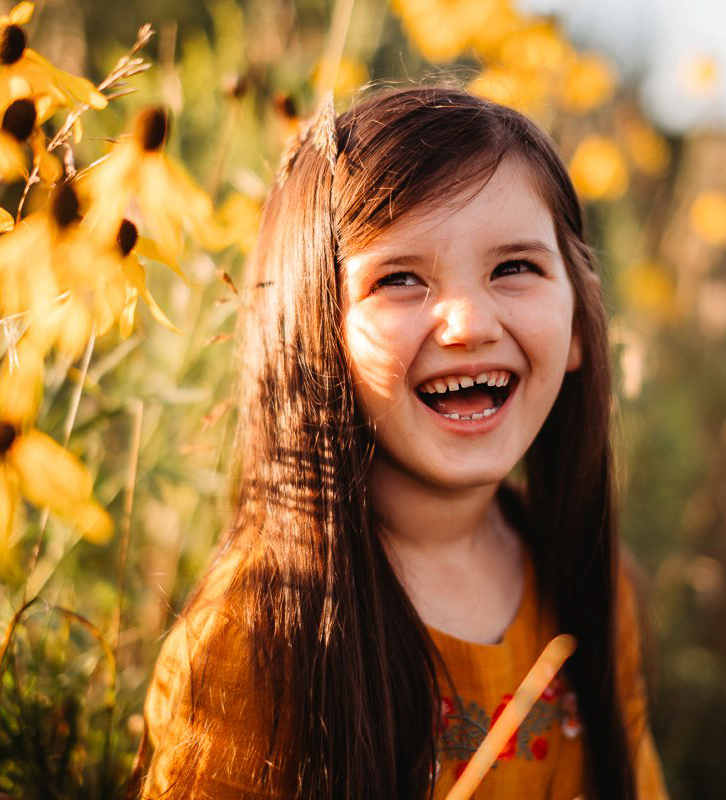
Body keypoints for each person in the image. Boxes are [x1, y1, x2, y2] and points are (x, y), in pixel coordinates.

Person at [137, 87, 669, 799]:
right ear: (316, 334)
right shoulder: (256, 640)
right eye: (399, 279)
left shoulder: (592, 584)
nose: (468, 323)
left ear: (577, 323)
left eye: (514, 267)